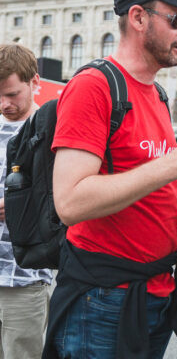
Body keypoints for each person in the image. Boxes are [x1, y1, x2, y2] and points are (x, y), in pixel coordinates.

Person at [45, 0, 177, 359]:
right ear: (139, 18)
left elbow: (163, 191)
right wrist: (175, 162)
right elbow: (71, 202)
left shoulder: (157, 94)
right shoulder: (94, 86)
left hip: (156, 293)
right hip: (103, 300)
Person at [0, 44, 52, 359]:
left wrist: (24, 206)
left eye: (13, 94)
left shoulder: (50, 130)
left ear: (34, 82)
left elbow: (69, 198)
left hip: (25, 279)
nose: (4, 104)